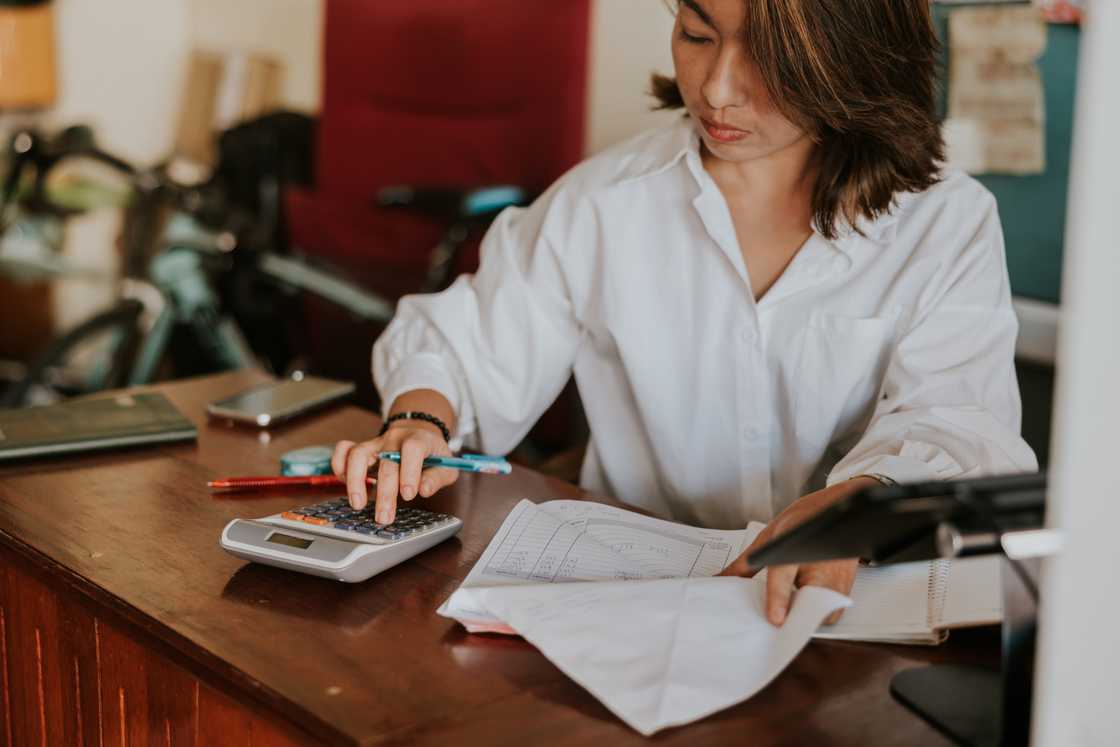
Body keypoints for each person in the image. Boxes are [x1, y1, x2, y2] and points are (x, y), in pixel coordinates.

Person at [332, 0, 1037, 626]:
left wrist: (859, 498)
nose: (717, 89)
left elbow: (957, 421)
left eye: (768, 55)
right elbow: (467, 344)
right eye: (697, 34)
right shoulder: (607, 201)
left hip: (849, 620)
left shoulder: (944, 221)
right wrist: (420, 419)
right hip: (638, 606)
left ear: (851, 55)